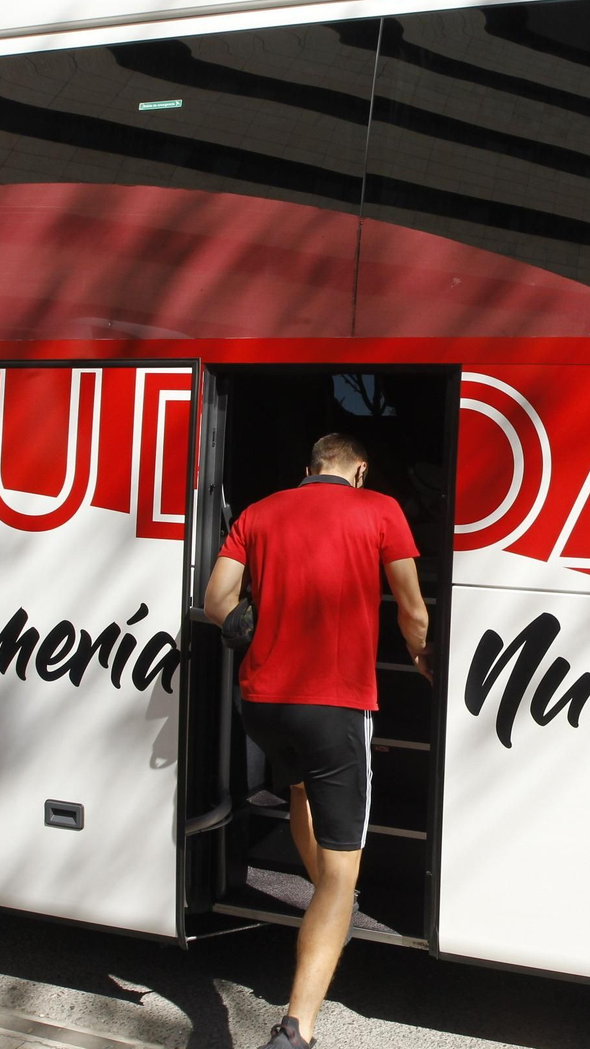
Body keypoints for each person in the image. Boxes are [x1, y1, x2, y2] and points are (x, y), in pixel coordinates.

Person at [204, 433, 431, 1049]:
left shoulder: (258, 512)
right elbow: (411, 606)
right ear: (358, 469)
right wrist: (420, 653)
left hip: (262, 704)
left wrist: (247, 622)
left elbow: (216, 600)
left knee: (298, 787)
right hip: (334, 706)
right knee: (340, 875)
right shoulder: (380, 508)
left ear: (308, 470)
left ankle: (323, 915)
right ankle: (295, 1030)